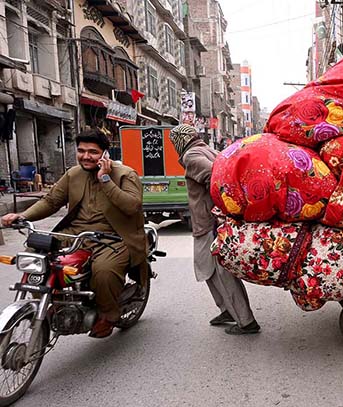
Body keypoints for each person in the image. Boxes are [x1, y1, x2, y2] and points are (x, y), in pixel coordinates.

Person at [1, 129, 147, 338]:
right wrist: (23, 216)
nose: (86, 156)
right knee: (35, 253)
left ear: (105, 154)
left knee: (104, 271)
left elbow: (132, 206)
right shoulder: (73, 174)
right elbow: (51, 201)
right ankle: (51, 303)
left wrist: (105, 179)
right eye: (81, 151)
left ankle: (109, 315)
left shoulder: (125, 174)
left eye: (92, 152)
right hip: (74, 234)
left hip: (113, 237)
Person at [169, 124, 260, 335]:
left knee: (219, 273)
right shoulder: (206, 149)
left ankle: (245, 321)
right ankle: (228, 310)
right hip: (210, 222)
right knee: (207, 270)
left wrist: (218, 208)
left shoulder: (192, 155)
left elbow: (215, 177)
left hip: (209, 224)